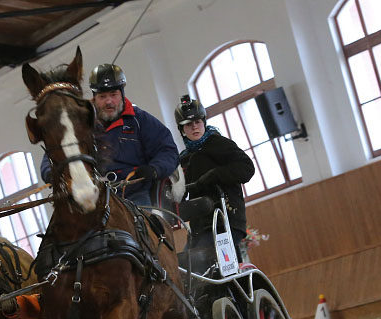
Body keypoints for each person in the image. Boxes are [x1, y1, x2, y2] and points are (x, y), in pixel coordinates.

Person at [40, 63, 179, 207]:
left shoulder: (140, 120)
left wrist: (154, 169)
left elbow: (167, 151)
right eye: (102, 96)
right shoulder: (79, 124)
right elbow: (50, 157)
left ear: (122, 95)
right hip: (94, 196)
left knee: (146, 224)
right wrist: (52, 174)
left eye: (113, 95)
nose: (109, 101)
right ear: (94, 97)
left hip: (135, 194)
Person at [174, 94, 254, 262]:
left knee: (200, 259)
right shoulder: (183, 159)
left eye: (197, 122)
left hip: (226, 219)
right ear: (182, 130)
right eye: (188, 125)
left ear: (204, 122)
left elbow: (247, 168)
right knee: (183, 263)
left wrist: (214, 176)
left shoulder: (219, 144)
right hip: (200, 225)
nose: (194, 127)